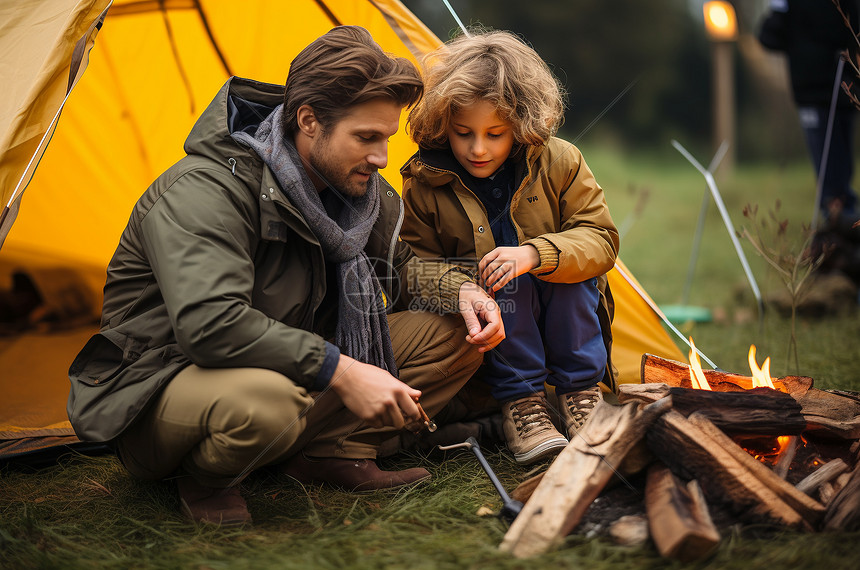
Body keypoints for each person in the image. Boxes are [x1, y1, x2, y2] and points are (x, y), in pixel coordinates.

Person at [66, 26, 503, 526]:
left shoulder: (357, 191)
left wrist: (463, 290)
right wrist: (341, 369)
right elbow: (212, 325)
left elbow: (399, 268)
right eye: (366, 138)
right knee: (270, 404)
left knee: (459, 333)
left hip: (288, 365)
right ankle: (207, 480)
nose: (382, 158)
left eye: (386, 137)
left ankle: (333, 453)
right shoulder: (205, 192)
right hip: (162, 383)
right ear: (309, 121)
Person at [401, 30, 619, 466]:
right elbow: (412, 266)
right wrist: (462, 288)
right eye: (463, 133)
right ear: (445, 124)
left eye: (495, 134)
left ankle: (581, 396)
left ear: (520, 125)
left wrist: (537, 254)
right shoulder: (425, 181)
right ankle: (523, 407)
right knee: (501, 282)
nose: (478, 149)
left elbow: (601, 239)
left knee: (562, 269)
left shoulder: (560, 161)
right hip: (489, 327)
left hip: (566, 307)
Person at [758, 0, 860, 225]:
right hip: (842, 90)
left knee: (834, 175)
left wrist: (779, 12)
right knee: (838, 172)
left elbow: (770, 37)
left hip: (824, 92)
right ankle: (843, 225)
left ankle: (842, 229)